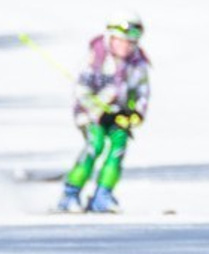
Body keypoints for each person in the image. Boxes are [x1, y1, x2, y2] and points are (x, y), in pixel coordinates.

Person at [56, 14, 151, 214]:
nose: (126, 46)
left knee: (118, 148)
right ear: (112, 37)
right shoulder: (97, 57)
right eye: (122, 41)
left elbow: (142, 91)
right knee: (95, 145)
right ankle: (70, 193)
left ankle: (103, 195)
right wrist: (98, 110)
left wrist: (136, 113)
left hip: (119, 116)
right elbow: (81, 90)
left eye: (131, 42)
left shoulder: (137, 63)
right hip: (91, 115)